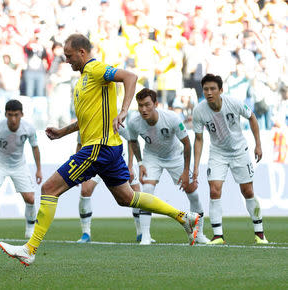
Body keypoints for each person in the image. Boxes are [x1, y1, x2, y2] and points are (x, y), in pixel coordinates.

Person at [0, 34, 199, 266]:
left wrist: (124, 110)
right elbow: (87, 119)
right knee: (127, 198)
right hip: (107, 147)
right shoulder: (83, 80)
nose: (67, 61)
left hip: (99, 148)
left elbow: (130, 76)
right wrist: (63, 131)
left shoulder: (96, 70)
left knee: (50, 188)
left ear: (82, 53)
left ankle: (30, 249)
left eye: (70, 56)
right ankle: (184, 217)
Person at [192, 74, 268, 245]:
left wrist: (258, 145)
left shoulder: (233, 102)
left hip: (240, 151)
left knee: (247, 191)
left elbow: (252, 117)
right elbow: (198, 139)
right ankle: (218, 236)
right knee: (214, 190)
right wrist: (195, 166)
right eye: (206, 89)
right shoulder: (199, 111)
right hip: (217, 153)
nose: (209, 92)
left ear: (221, 90)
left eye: (213, 89)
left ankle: (259, 233)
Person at [128, 88, 210, 245]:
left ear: (156, 104)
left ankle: (198, 234)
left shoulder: (171, 118)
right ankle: (145, 236)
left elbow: (187, 143)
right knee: (147, 191)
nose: (143, 109)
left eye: (147, 105)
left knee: (193, 193)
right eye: (140, 106)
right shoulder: (133, 122)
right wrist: (140, 163)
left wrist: (186, 171)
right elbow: (133, 141)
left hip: (175, 157)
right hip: (152, 157)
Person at [0, 99, 42, 240]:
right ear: (5, 114)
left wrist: (39, 169)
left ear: (22, 114)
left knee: (30, 198)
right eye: (10, 115)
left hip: (19, 165)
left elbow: (35, 147)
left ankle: (30, 229)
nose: (13, 119)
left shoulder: (29, 128)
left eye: (16, 115)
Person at [75, 126, 145, 244]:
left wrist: (130, 165)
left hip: (116, 160)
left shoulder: (112, 118)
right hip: (95, 161)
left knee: (136, 191)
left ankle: (141, 232)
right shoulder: (85, 121)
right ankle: (86, 233)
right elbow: (80, 145)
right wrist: (78, 168)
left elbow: (130, 139)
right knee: (85, 191)